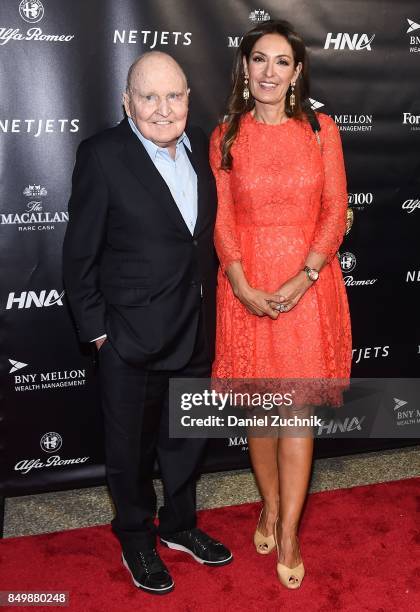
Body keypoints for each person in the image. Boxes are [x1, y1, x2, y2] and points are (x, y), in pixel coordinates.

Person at [63, 51, 232, 596]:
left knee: (187, 443)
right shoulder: (102, 155)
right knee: (130, 451)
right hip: (129, 339)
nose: (164, 108)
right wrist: (99, 334)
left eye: (174, 95)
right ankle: (135, 535)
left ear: (188, 98)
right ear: (127, 101)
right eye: (150, 96)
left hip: (196, 330)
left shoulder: (202, 146)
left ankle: (180, 526)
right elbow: (79, 255)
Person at [209, 20, 351, 589]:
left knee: (294, 413)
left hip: (308, 287)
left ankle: (289, 531)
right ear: (244, 69)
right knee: (261, 416)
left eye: (281, 62)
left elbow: (336, 208)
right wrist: (241, 282)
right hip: (247, 286)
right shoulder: (226, 135)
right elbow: (221, 220)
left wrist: (306, 274)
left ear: (296, 74)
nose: (269, 72)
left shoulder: (321, 130)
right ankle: (268, 506)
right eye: (259, 60)